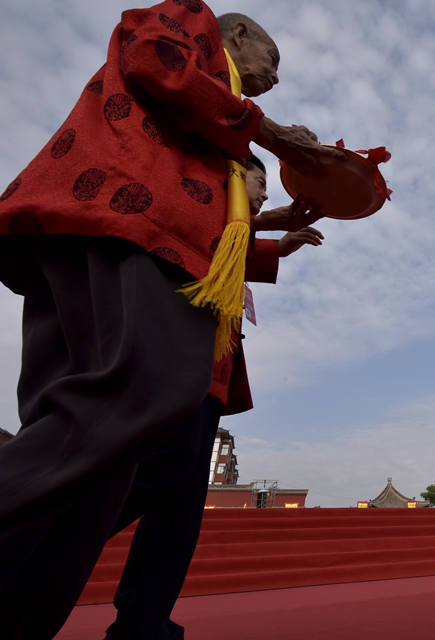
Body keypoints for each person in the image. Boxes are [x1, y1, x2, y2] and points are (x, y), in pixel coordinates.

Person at [0, 2, 342, 637]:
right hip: (113, 213)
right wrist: (271, 134)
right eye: (272, 60)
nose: (275, 78)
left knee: (105, 456)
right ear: (238, 34)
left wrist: (271, 227)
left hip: (107, 232)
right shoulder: (192, 21)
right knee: (147, 392)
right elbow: (153, 62)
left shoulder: (213, 124)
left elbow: (212, 224)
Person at [103, 155, 323, 639]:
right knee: (157, 469)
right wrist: (272, 228)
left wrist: (277, 242)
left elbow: (230, 244)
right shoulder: (193, 199)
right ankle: (40, 529)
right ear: (232, 177)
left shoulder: (233, 232)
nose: (265, 193)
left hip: (210, 377)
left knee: (179, 508)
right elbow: (207, 233)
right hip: (175, 364)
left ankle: (144, 621)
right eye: (259, 181)